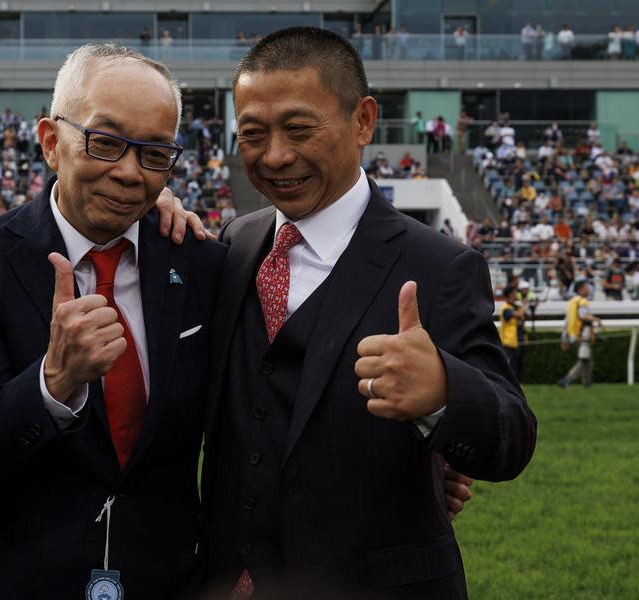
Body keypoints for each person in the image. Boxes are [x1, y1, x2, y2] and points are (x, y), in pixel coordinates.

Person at [201, 27, 536, 598]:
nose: (275, 155)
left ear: (363, 121)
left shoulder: (440, 266)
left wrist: (444, 394)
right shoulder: (231, 243)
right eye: (253, 134)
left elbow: (512, 439)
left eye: (299, 128)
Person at [0, 43, 225, 598]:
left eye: (154, 154)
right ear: (52, 142)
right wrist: (54, 382)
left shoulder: (201, 260)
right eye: (105, 143)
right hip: (25, 583)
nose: (129, 173)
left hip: (169, 580)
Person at [559, 279, 601, 388]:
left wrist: (564, 338)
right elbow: (583, 316)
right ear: (581, 289)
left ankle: (587, 384)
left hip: (571, 335)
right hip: (580, 335)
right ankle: (568, 379)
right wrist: (596, 319)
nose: (589, 289)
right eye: (587, 287)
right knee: (584, 359)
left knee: (586, 359)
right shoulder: (583, 301)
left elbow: (566, 321)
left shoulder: (571, 302)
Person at [499, 282, 527, 381]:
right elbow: (519, 315)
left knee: (518, 368)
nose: (517, 294)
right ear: (510, 294)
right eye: (515, 292)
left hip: (516, 343)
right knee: (511, 368)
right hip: (509, 343)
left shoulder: (513, 306)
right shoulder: (506, 308)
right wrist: (524, 304)